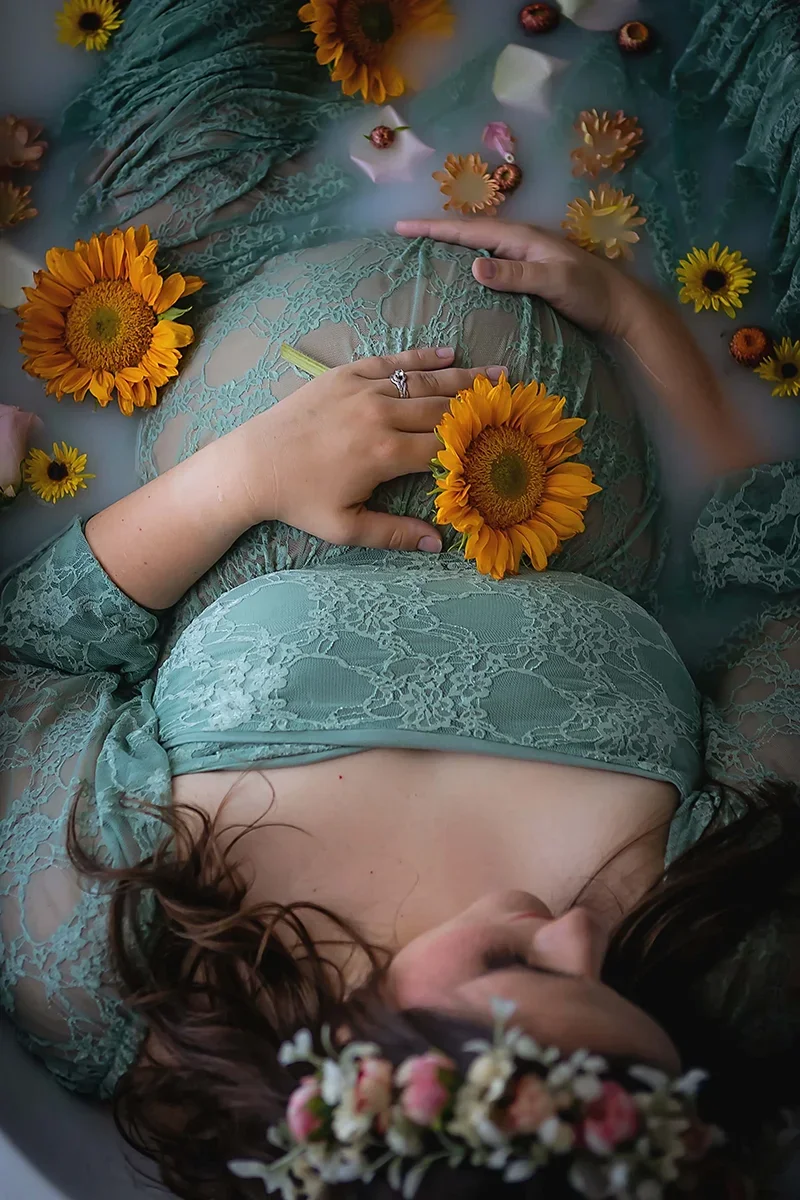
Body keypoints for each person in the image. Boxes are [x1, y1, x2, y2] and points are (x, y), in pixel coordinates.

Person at [2, 1, 799, 1196]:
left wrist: (237, 481)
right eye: (629, 1014)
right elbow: (770, 578)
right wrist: (639, 322)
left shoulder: (117, 975)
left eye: (525, 971)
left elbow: (23, 656)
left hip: (178, 296)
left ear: (357, 1085)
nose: (582, 936)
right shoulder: (730, 966)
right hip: (588, 249)